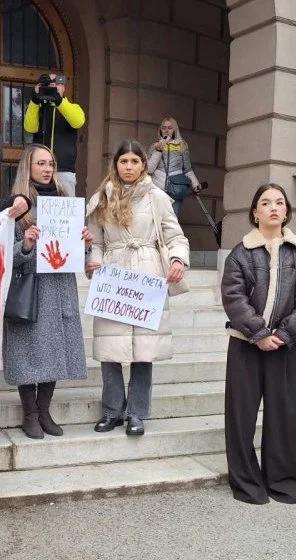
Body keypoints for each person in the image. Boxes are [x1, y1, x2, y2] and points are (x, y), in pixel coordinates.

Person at [220, 183, 296, 505]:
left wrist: (286, 334)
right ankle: (247, 483)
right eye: (265, 202)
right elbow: (233, 297)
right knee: (241, 416)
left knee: (283, 415)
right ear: (255, 212)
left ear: (287, 211)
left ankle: (283, 481)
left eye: (279, 202)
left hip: (286, 346)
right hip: (245, 344)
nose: (273, 207)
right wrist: (259, 333)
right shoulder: (240, 253)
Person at [85, 140, 190, 436]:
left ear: (144, 164)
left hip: (147, 272)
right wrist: (93, 262)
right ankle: (112, 410)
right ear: (115, 164)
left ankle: (137, 412)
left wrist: (179, 259)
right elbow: (96, 241)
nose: (128, 167)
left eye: (134, 161)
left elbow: (175, 236)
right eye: (123, 161)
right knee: (111, 347)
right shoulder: (102, 198)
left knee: (144, 350)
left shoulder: (157, 197)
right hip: (112, 272)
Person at [3, 145, 92, 439]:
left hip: (60, 287)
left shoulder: (67, 202)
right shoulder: (17, 207)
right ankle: (29, 414)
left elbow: (79, 254)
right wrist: (26, 243)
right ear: (28, 167)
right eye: (41, 163)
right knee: (28, 352)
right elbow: (3, 255)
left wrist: (85, 242)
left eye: (51, 163)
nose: (47, 168)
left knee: (55, 350)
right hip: (31, 289)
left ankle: (44, 410)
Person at [23, 73, 85, 196]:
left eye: (56, 83)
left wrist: (59, 101)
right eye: (49, 84)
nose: (52, 87)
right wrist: (35, 100)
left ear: (63, 88)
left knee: (65, 213)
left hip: (64, 170)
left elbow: (78, 122)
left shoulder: (73, 107)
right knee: (37, 209)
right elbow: (29, 128)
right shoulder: (37, 108)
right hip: (39, 170)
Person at [147, 117, 201, 216]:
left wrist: (195, 184)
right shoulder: (154, 146)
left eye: (170, 127)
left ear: (174, 130)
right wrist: (158, 151)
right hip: (157, 189)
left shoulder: (182, 146)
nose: (167, 130)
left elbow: (187, 169)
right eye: (164, 128)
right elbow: (149, 170)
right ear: (160, 130)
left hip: (175, 188)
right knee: (157, 222)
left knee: (173, 221)